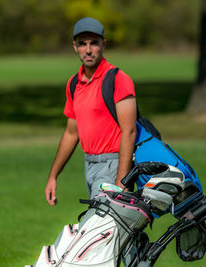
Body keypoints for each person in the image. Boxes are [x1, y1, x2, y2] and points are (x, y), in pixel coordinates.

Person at [45, 17, 137, 206]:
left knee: (98, 228)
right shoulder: (73, 84)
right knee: (111, 231)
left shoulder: (118, 79)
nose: (88, 50)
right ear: (75, 47)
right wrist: (53, 176)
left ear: (103, 44)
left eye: (94, 43)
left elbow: (129, 132)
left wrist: (121, 182)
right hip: (89, 165)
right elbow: (71, 133)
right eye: (82, 44)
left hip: (113, 165)